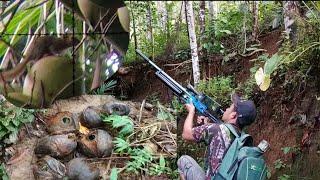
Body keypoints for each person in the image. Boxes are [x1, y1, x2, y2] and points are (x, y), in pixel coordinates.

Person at [177, 93, 257, 180]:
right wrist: (207, 125)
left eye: (229, 107)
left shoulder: (216, 129)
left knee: (183, 160)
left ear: (233, 115)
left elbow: (186, 134)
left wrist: (191, 111)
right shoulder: (243, 141)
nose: (226, 109)